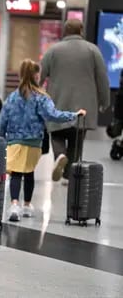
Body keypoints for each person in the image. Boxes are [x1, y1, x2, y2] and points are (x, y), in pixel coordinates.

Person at [0, 59, 86, 222]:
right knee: (29, 172)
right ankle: (27, 205)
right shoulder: (41, 98)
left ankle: (14, 205)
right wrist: (74, 115)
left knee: (16, 173)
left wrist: (2, 137)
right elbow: (53, 115)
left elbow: (2, 121)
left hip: (14, 142)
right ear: (35, 75)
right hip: (33, 143)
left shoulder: (12, 98)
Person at [40, 19, 110, 185]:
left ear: (65, 32)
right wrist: (104, 101)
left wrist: (32, 97)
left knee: (56, 134)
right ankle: (68, 174)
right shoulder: (93, 50)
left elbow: (40, 75)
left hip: (57, 102)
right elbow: (102, 79)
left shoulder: (53, 50)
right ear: (81, 31)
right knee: (76, 139)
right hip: (84, 106)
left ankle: (59, 156)